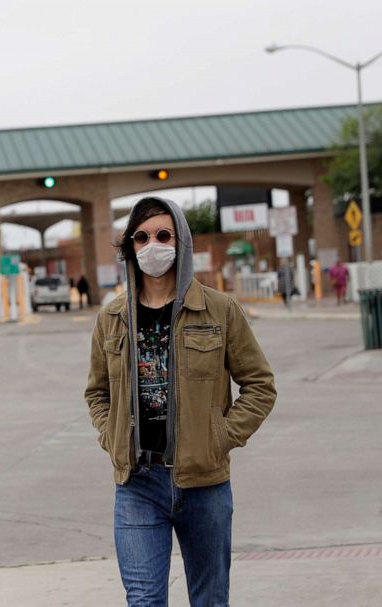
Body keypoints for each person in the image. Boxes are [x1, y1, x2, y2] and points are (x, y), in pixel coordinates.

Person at [85, 197, 277, 607]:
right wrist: (111, 435)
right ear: (130, 247)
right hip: (137, 483)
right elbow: (97, 392)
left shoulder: (219, 310)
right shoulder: (112, 318)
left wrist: (220, 437)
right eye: (141, 237)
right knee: (143, 600)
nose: (152, 244)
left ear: (182, 241)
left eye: (162, 235)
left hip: (204, 484)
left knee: (209, 599)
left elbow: (259, 385)